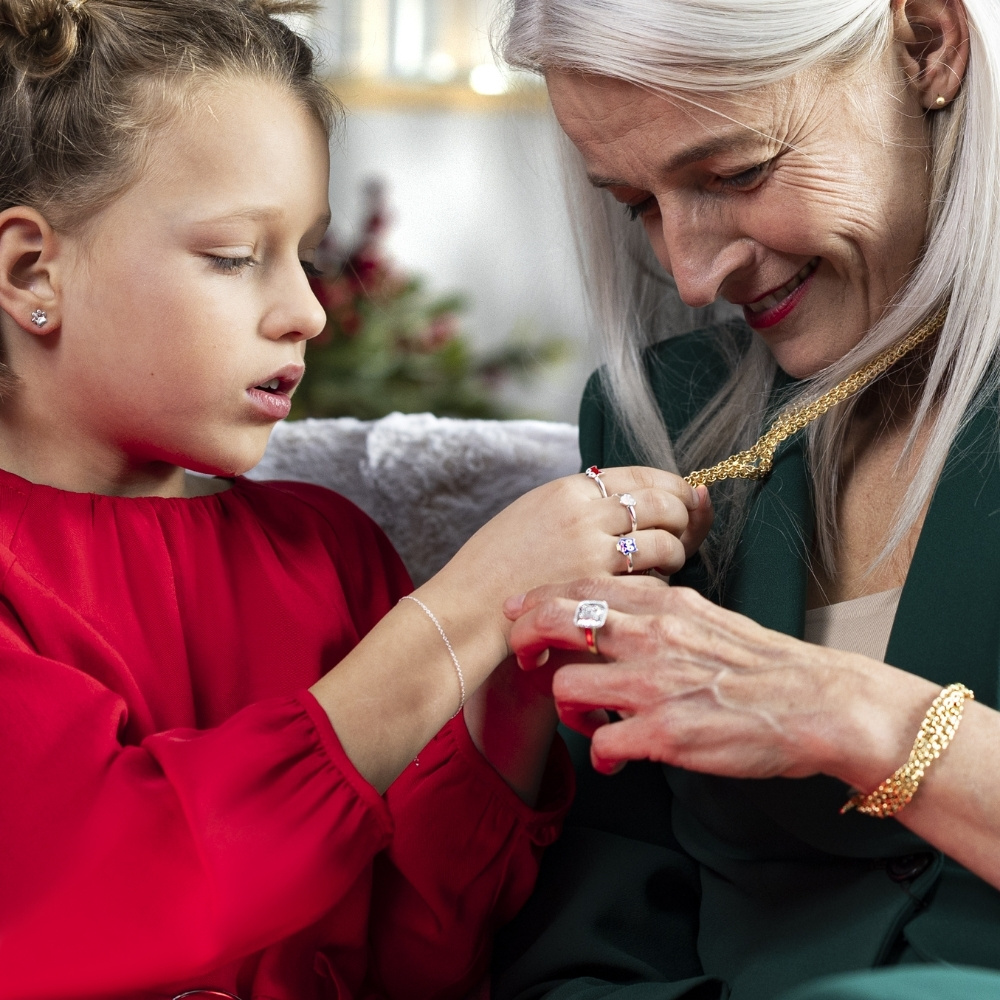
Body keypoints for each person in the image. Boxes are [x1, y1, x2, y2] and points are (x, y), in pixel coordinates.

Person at [0, 1, 709, 997]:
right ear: (33, 269)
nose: (303, 312)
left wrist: (508, 686)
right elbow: (90, 898)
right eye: (235, 256)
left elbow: (417, 957)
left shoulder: (327, 553)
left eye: (309, 257)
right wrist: (459, 610)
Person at [489, 0, 1000, 998]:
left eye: (735, 174)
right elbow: (608, 903)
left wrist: (856, 715)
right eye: (636, 202)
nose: (688, 272)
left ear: (928, 44)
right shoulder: (656, 424)